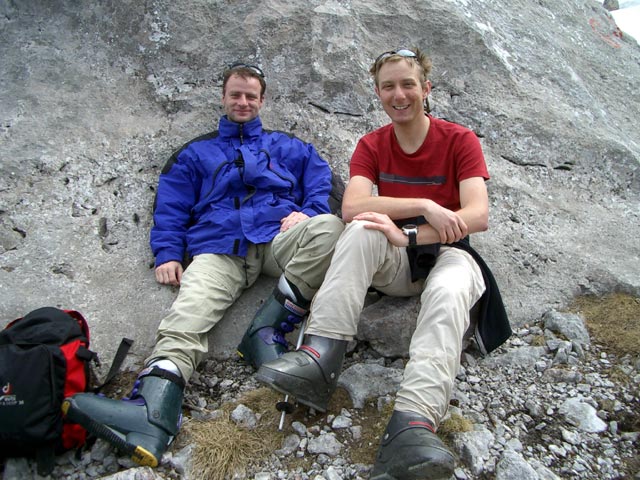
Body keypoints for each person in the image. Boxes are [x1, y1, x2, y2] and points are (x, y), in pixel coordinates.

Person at [62, 62, 344, 467]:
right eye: (236, 94)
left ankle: (264, 330)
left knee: (331, 230)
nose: (243, 102)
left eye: (251, 95)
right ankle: (153, 412)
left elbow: (321, 182)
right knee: (189, 309)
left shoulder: (290, 147)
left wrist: (310, 211)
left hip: (279, 237)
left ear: (262, 100)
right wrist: (168, 254)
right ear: (223, 97)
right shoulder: (195, 153)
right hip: (219, 248)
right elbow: (172, 207)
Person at [256, 48, 511, 480]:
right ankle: (320, 358)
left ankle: (413, 423)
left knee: (450, 292)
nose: (399, 94)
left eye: (408, 84)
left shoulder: (459, 140)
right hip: (396, 262)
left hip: (449, 254)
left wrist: (409, 232)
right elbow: (353, 206)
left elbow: (476, 216)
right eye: (388, 86)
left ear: (426, 89)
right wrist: (424, 205)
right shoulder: (372, 144)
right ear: (378, 93)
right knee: (359, 229)